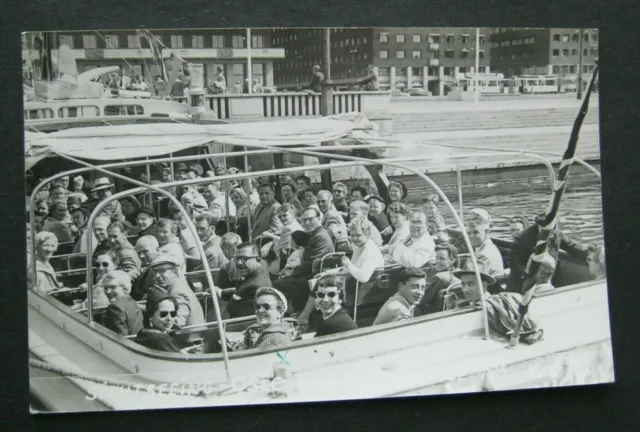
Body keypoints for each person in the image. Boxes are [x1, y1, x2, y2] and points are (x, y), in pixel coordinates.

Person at [453, 265, 544, 344]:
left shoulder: (491, 307)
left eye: (471, 284)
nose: (465, 289)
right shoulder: (468, 305)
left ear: (484, 285)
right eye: (463, 284)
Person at [273, 207, 335, 314]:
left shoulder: (320, 236)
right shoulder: (315, 234)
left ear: (319, 219)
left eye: (310, 219)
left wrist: (292, 272)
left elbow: (314, 263)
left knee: (278, 284)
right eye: (304, 220)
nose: (307, 223)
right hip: (310, 273)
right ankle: (297, 311)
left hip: (316, 277)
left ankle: (287, 313)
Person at [506, 214, 588, 293]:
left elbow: (573, 246)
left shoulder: (557, 233)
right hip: (521, 284)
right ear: (538, 226)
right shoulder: (523, 238)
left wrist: (592, 252)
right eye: (545, 230)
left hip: (546, 281)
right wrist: (528, 273)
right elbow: (512, 261)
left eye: (552, 230)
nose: (550, 233)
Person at [146, 253, 205, 328]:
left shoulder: (178, 293)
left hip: (186, 337)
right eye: (155, 272)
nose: (157, 276)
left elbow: (177, 322)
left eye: (161, 271)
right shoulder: (178, 285)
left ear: (174, 272)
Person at [224, 242, 273, 318]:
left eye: (244, 259)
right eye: (237, 258)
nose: (239, 263)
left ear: (258, 259)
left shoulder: (255, 288)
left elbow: (242, 320)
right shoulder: (261, 265)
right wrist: (220, 292)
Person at [415, 243, 461, 315]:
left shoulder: (439, 277)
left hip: (431, 314)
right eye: (436, 258)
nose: (437, 261)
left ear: (452, 260)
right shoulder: (459, 272)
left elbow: (421, 299)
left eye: (442, 259)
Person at [259, 203, 304, 276]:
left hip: (289, 260)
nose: (282, 218)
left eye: (285, 215)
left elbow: (278, 248)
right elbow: (283, 239)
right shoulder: (296, 224)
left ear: (292, 214)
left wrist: (271, 239)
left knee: (264, 266)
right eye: (280, 217)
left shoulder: (288, 228)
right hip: (295, 257)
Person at [459, 213, 504, 279]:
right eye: (469, 233)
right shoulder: (491, 246)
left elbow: (471, 278)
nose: (471, 236)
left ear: (487, 232)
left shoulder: (483, 255)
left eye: (476, 232)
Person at [103, 270, 144, 336]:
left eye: (113, 287)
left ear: (125, 288)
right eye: (105, 288)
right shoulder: (132, 301)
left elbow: (120, 337)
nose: (108, 291)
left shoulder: (114, 308)